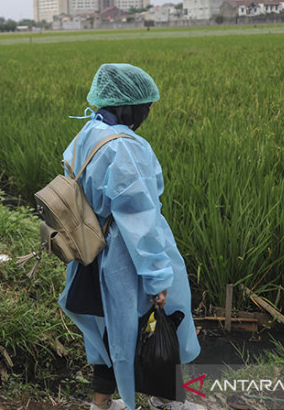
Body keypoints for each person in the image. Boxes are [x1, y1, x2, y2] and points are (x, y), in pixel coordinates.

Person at [58, 64, 201, 410]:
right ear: (130, 107)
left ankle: (101, 403)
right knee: (158, 325)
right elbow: (139, 218)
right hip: (126, 256)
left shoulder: (88, 134)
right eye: (145, 108)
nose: (146, 115)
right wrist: (157, 278)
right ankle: (168, 401)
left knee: (110, 328)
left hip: (93, 249)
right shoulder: (124, 147)